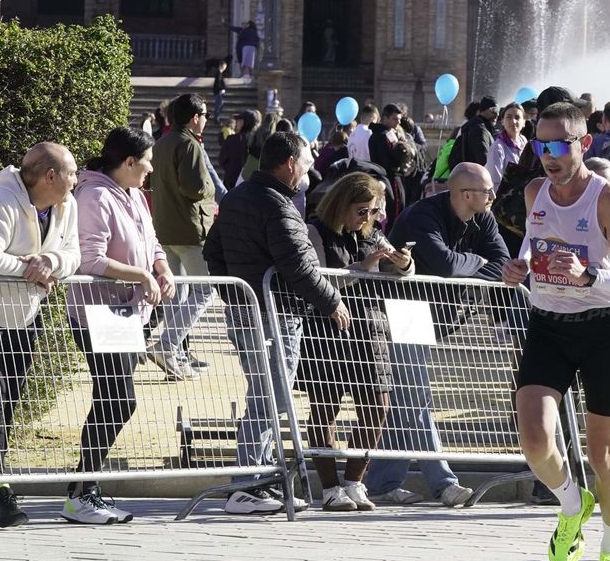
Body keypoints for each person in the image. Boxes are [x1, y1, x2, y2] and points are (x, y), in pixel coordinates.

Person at [503, 102, 610, 561]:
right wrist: (519, 264)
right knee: (534, 440)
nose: (547, 155)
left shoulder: (606, 199)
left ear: (583, 144)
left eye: (557, 144)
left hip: (602, 330)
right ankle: (573, 504)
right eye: (539, 144)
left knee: (603, 455)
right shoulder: (535, 191)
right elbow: (534, 241)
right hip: (547, 325)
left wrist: (591, 276)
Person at [205, 131, 347, 515]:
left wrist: (236, 294)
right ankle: (247, 484)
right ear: (289, 164)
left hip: (248, 311)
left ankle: (259, 481)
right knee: (270, 398)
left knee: (267, 396)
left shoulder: (237, 197)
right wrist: (332, 301)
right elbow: (300, 267)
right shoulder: (278, 206)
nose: (309, 172)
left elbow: (212, 252)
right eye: (306, 164)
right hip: (273, 314)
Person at [365, 163, 510, 506]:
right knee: (416, 397)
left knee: (406, 400)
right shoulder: (422, 216)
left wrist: (467, 265)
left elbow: (503, 262)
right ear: (465, 194)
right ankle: (444, 483)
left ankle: (382, 483)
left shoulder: (484, 217)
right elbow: (444, 265)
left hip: (433, 316)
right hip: (402, 311)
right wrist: (477, 263)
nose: (493, 195)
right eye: (487, 190)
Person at [0, 143, 81, 528]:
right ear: (50, 176)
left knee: (7, 401)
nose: (76, 180)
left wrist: (50, 261)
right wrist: (32, 271)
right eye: (72, 173)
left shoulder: (67, 205)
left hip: (23, 316)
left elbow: (73, 254)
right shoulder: (2, 201)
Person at [62, 127, 176, 524]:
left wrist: (161, 268)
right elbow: (89, 259)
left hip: (125, 313)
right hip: (98, 312)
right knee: (118, 400)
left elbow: (152, 241)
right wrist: (141, 276)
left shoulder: (134, 194)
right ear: (128, 162)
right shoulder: (94, 196)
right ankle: (81, 491)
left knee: (113, 400)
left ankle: (84, 488)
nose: (150, 170)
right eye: (146, 163)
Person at [302, 172, 414, 511]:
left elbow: (397, 272)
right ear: (342, 205)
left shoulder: (374, 234)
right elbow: (316, 279)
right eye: (361, 211)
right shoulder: (315, 231)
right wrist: (360, 268)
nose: (367, 218)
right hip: (327, 330)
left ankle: (354, 481)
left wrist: (404, 264)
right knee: (325, 408)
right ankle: (329, 487)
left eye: (373, 211)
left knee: (377, 406)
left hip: (371, 328)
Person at [150, 93, 216, 380]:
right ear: (195, 117)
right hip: (190, 229)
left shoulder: (162, 143)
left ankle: (172, 354)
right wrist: (211, 189)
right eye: (205, 115)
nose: (207, 120)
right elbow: (195, 187)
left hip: (165, 227)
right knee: (205, 290)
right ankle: (167, 345)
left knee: (176, 294)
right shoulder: (189, 144)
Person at [488, 102, 528, 188]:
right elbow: (494, 181)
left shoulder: (524, 141)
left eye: (517, 117)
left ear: (524, 122)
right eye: (509, 117)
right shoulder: (498, 147)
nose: (513, 121)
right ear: (502, 121)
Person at [220, 110, 260, 189]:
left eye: (239, 120)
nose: (237, 123)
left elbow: (222, 160)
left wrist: (231, 170)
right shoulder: (258, 140)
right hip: (250, 183)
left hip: (231, 182)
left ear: (244, 122)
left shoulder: (232, 139)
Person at [211, 59, 230, 123]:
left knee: (220, 105)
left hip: (219, 91)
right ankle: (217, 119)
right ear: (222, 65)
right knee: (218, 105)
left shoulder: (220, 73)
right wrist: (221, 89)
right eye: (225, 66)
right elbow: (218, 83)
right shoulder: (218, 73)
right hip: (218, 92)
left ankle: (217, 118)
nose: (225, 68)